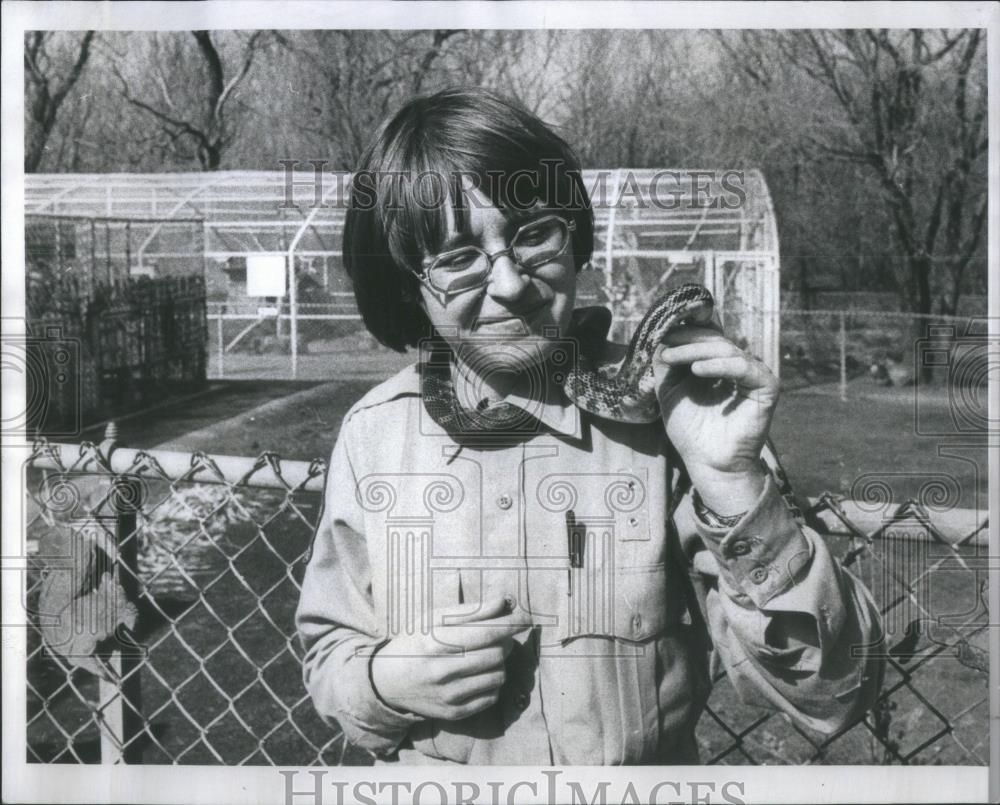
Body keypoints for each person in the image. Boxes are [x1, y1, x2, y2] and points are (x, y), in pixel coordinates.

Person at [295, 87, 884, 765]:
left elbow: (836, 691)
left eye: (532, 233)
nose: (512, 283)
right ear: (407, 288)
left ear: (572, 234)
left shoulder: (678, 417)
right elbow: (330, 654)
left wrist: (730, 481)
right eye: (458, 259)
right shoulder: (374, 439)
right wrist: (381, 681)